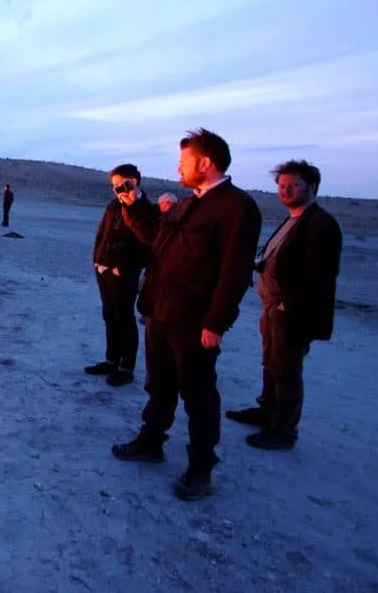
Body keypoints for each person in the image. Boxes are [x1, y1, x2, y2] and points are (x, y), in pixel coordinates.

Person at [110, 128, 262, 501]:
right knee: (159, 385)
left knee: (198, 394)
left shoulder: (236, 207)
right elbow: (155, 241)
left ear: (205, 163)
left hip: (194, 320)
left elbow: (235, 273)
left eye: (184, 161)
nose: (178, 167)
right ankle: (151, 442)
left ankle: (200, 469)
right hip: (161, 310)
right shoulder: (189, 202)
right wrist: (131, 206)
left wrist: (216, 322)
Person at [226, 160, 342, 450]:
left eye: (293, 185)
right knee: (272, 363)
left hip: (290, 312)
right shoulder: (295, 219)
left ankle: (284, 431)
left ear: (312, 187)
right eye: (281, 186)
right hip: (273, 307)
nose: (286, 190)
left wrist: (287, 306)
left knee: (287, 369)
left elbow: (319, 274)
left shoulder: (319, 224)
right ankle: (267, 411)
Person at [84, 164, 154, 386]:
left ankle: (126, 367)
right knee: (110, 315)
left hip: (123, 273)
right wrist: (97, 260)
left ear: (133, 181)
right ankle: (111, 360)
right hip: (103, 268)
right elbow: (101, 233)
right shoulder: (114, 205)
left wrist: (124, 267)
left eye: (120, 184)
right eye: (114, 186)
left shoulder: (146, 209)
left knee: (124, 317)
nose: (117, 189)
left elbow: (148, 244)